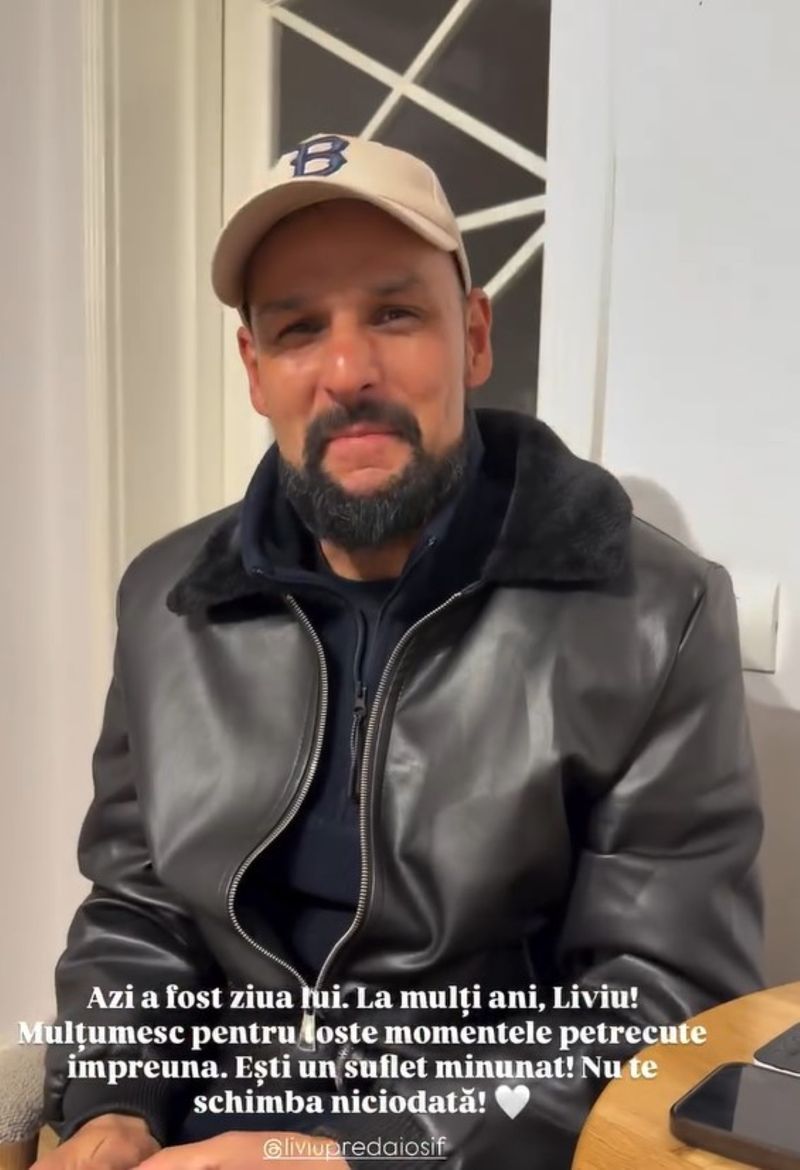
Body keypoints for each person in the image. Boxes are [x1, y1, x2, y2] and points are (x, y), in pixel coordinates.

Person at [37, 133, 763, 1170]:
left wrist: (339, 1155)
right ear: (255, 371)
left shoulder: (652, 611)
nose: (348, 373)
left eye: (392, 314)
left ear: (473, 338)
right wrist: (113, 1106)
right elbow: (136, 909)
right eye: (299, 328)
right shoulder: (168, 600)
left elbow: (660, 1002)